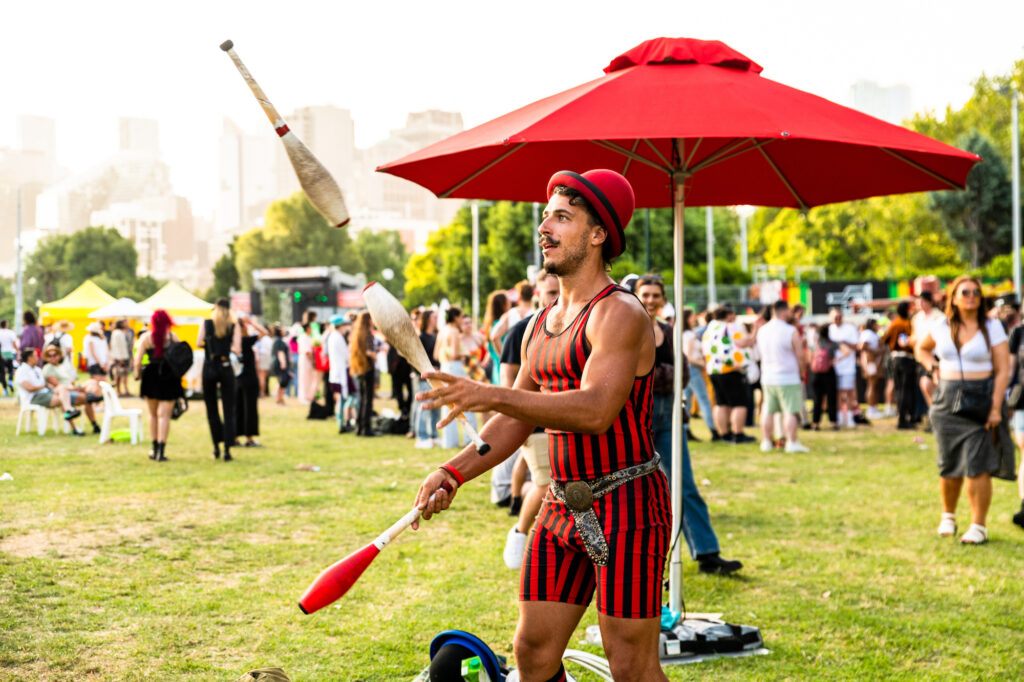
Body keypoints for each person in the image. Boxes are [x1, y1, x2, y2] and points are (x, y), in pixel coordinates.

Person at [413, 169, 671, 682]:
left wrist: (487, 392)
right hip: (561, 504)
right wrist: (454, 471)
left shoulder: (619, 312)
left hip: (630, 507)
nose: (544, 227)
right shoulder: (538, 322)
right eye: (545, 216)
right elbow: (515, 418)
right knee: (532, 650)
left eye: (562, 217)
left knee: (630, 663)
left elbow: (597, 410)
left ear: (598, 235)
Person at [637, 275, 742, 575]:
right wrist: (664, 375)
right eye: (646, 294)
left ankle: (707, 552)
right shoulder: (627, 327)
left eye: (657, 294)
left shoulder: (669, 331)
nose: (651, 299)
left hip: (668, 414)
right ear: (635, 295)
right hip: (636, 417)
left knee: (683, 484)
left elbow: (681, 372)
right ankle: (637, 556)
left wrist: (666, 376)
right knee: (636, 490)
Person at [916, 276, 1010, 545]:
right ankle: (948, 515)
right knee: (949, 461)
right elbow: (921, 349)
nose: (971, 296)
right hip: (947, 398)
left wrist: (995, 408)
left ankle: (978, 526)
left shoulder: (991, 327)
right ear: (953, 298)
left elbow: (1003, 369)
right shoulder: (941, 325)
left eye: (976, 293)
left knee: (977, 463)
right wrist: (932, 367)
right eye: (965, 292)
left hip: (981, 398)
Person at [500, 267, 559, 570]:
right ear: (537, 294)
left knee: (554, 486)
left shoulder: (573, 324)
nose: (556, 297)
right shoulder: (522, 329)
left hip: (564, 422)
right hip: (533, 423)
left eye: (559, 291)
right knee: (544, 483)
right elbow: (509, 382)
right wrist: (516, 423)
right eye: (550, 292)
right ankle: (520, 534)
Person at [756, 300, 809, 453]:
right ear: (784, 311)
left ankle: (766, 441)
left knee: (768, 411)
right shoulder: (790, 330)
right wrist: (801, 373)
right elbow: (800, 355)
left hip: (768, 376)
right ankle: (792, 442)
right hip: (788, 376)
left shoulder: (762, 330)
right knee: (790, 411)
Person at [702, 306, 756, 443]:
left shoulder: (709, 329)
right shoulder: (729, 328)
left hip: (713, 370)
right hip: (730, 368)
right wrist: (755, 330)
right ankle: (738, 434)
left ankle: (724, 434)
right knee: (739, 403)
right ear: (728, 315)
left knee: (721, 403)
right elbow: (744, 342)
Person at [135, 310, 183, 462]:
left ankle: (154, 448)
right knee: (165, 416)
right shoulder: (172, 337)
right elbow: (182, 357)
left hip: (151, 376)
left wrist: (137, 374)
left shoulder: (146, 338)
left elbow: (137, 361)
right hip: (169, 377)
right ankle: (162, 451)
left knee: (153, 415)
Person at [197, 298, 241, 461]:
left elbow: (198, 342)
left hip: (209, 366)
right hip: (225, 365)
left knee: (212, 409)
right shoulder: (233, 325)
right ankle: (228, 449)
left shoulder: (207, 322)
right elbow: (237, 349)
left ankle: (216, 446)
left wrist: (211, 346)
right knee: (229, 409)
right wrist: (225, 346)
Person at [435, 306, 478, 448]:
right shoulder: (453, 331)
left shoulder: (442, 331)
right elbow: (454, 353)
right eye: (460, 317)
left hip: (444, 367)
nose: (461, 320)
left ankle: (449, 441)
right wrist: (465, 354)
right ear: (456, 318)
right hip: (455, 367)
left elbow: (436, 354)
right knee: (465, 400)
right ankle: (469, 438)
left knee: (447, 403)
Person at [40, 345, 102, 435]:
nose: (53, 357)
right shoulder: (48, 368)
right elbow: (58, 386)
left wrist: (77, 387)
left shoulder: (61, 367)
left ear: (59, 355)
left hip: (71, 389)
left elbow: (70, 382)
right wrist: (75, 389)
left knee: (92, 382)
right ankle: (90, 424)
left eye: (55, 354)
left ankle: (92, 397)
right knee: (86, 399)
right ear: (47, 357)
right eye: (50, 355)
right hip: (63, 392)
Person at [15, 347, 81, 423]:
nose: (38, 358)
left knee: (62, 389)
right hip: (34, 397)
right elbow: (29, 388)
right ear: (30, 358)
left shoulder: (37, 369)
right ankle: (69, 414)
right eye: (36, 356)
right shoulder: (22, 371)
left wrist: (47, 386)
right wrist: (45, 386)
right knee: (63, 398)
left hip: (45, 393)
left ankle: (69, 411)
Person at [681, 309, 718, 441]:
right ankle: (714, 430)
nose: (694, 319)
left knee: (687, 402)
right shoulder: (690, 335)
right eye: (692, 317)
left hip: (686, 370)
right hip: (693, 369)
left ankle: (685, 430)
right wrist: (703, 364)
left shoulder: (685, 334)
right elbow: (689, 356)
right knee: (704, 400)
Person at [881, 302, 916, 429]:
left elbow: (884, 339)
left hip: (895, 359)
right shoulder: (908, 324)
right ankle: (905, 419)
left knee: (899, 389)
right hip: (907, 359)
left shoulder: (894, 323)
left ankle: (902, 418)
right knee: (906, 390)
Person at [828, 308, 865, 428]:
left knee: (849, 393)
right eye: (834, 317)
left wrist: (843, 342)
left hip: (848, 367)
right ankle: (839, 417)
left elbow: (856, 346)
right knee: (838, 393)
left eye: (839, 317)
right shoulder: (829, 329)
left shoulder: (850, 329)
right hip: (834, 368)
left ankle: (849, 418)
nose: (837, 319)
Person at [234, 316, 267, 448]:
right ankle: (249, 438)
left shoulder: (233, 343)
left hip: (237, 379)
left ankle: (235, 437)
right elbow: (264, 333)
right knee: (250, 408)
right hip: (249, 378)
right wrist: (252, 323)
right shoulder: (247, 341)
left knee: (237, 408)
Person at [414, 309, 442, 449]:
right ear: (427, 319)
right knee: (424, 407)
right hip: (425, 378)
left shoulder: (436, 335)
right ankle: (422, 436)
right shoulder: (422, 337)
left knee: (436, 407)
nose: (436, 319)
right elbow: (417, 359)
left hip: (438, 376)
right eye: (433, 317)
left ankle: (433, 435)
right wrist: (428, 370)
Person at [349, 310, 377, 437]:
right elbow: (370, 352)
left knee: (362, 398)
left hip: (360, 368)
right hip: (368, 367)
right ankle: (366, 428)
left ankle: (359, 427)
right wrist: (376, 356)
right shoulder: (369, 335)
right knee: (368, 399)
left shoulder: (357, 334)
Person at [809, 323, 840, 430]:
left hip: (816, 374)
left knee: (817, 399)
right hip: (829, 373)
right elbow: (847, 351)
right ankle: (833, 423)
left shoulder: (815, 344)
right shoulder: (832, 344)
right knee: (831, 399)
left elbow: (810, 358)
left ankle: (815, 423)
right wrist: (834, 361)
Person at [325, 315, 352, 433]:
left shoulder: (332, 336)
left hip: (335, 372)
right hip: (340, 372)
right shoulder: (338, 337)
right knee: (343, 398)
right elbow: (347, 355)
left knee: (340, 398)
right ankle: (342, 423)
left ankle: (342, 422)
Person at [859, 318, 884, 419]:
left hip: (875, 362)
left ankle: (874, 407)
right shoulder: (868, 333)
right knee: (871, 384)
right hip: (871, 361)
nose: (878, 326)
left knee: (875, 384)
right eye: (876, 324)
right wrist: (876, 352)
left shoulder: (872, 334)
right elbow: (862, 346)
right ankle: (871, 409)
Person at [483, 291, 510, 386]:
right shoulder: (502, 324)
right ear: (503, 304)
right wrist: (506, 358)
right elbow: (495, 339)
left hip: (496, 369)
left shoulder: (491, 325)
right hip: (503, 369)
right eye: (508, 301)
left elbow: (489, 349)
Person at [109, 320, 133, 397]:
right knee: (119, 375)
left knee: (122, 375)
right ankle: (119, 391)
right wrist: (120, 358)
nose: (127, 323)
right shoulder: (117, 333)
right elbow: (117, 346)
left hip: (122, 356)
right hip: (120, 357)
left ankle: (123, 390)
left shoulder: (119, 332)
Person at [270, 324, 291, 406]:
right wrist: (283, 363)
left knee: (281, 382)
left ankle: (280, 399)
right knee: (282, 382)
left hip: (276, 363)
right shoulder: (279, 341)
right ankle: (279, 400)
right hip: (280, 364)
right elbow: (280, 352)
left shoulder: (276, 340)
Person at [0, 319, 19, 396]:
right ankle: (10, 380)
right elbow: (14, 343)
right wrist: (18, 351)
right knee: (11, 369)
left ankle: (5, 389)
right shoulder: (10, 333)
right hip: (9, 353)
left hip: (1, 354)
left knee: (2, 373)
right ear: (6, 325)